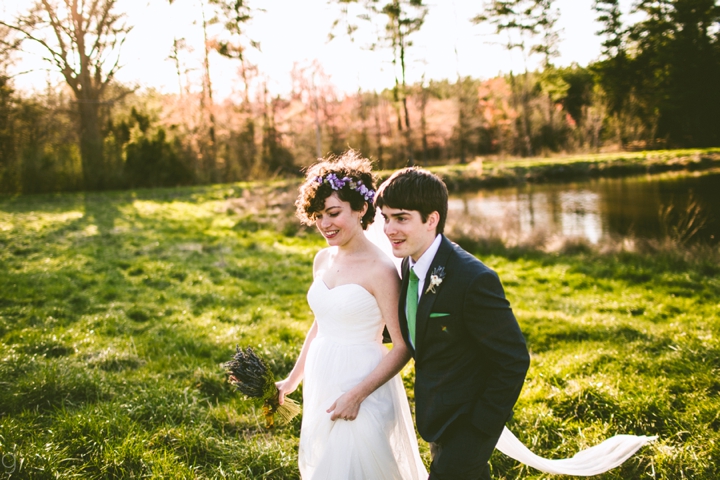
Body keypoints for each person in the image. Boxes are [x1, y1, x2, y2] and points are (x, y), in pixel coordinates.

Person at [275, 151, 427, 479]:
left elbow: (402, 346)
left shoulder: (382, 270)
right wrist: (291, 380)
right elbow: (321, 324)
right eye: (317, 215)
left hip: (362, 382)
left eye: (333, 213)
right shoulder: (321, 260)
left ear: (360, 209)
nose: (325, 224)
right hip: (322, 375)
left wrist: (357, 395)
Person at [376, 167, 531, 480]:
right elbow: (417, 325)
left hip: (470, 421)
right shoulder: (409, 263)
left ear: (431, 219)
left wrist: (481, 426)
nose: (389, 229)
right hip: (438, 415)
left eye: (401, 218)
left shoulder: (473, 279)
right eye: (385, 218)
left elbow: (514, 360)